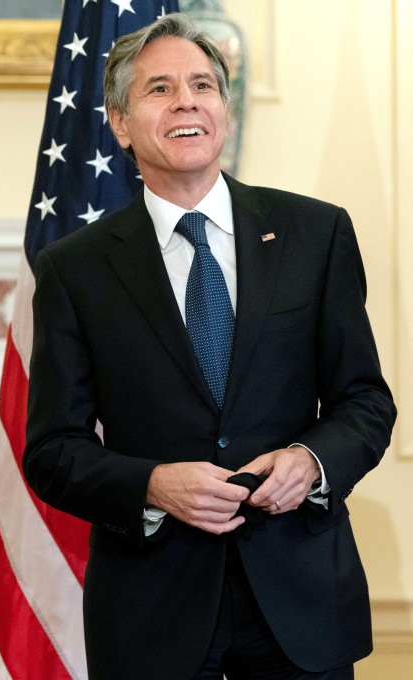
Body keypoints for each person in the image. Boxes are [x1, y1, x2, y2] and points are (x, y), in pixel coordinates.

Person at [22, 14, 395, 680]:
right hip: (153, 609)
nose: (187, 100)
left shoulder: (315, 234)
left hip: (300, 601)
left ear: (223, 109)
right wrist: (153, 484)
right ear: (120, 123)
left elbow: (365, 403)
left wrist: (310, 462)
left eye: (202, 85)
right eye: (160, 89)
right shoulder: (73, 270)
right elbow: (53, 451)